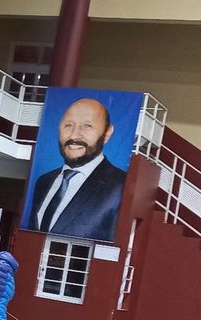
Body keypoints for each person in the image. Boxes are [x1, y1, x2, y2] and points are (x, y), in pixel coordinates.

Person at [25, 98, 128, 241]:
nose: (74, 135)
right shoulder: (44, 181)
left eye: (87, 126)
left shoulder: (121, 187)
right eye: (68, 125)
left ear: (107, 132)